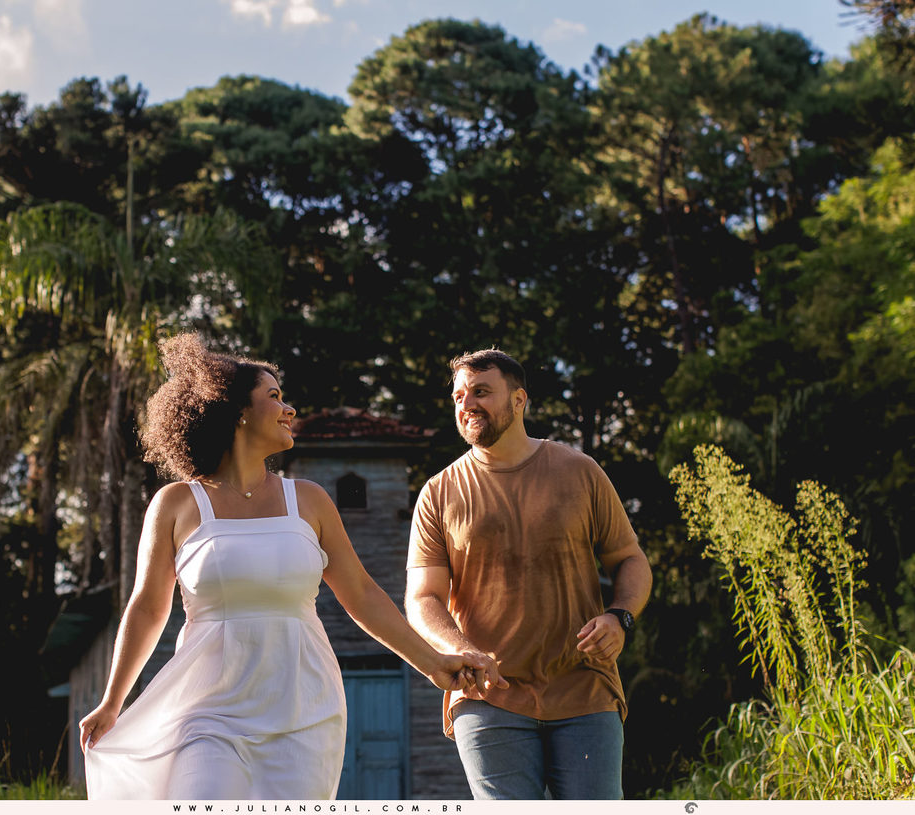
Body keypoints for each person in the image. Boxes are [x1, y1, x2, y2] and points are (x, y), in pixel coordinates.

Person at [80, 333, 501, 800]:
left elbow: (361, 595)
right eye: (274, 397)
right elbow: (147, 607)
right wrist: (112, 701)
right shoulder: (177, 504)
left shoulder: (309, 501)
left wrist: (432, 662)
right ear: (236, 410)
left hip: (303, 706)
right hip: (207, 709)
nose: (289, 409)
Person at [404, 348, 653, 800]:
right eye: (460, 395)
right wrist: (461, 649)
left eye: (482, 392)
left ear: (519, 400)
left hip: (584, 689)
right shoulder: (438, 493)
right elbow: (422, 598)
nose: (467, 404)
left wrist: (621, 616)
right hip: (487, 698)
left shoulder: (581, 472)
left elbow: (630, 559)